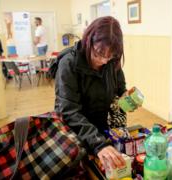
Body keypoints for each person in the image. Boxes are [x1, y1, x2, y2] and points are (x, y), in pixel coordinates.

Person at [54, 16, 127, 169]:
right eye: (98, 54)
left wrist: (125, 95)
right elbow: (69, 111)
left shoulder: (112, 61)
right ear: (88, 40)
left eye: (110, 56)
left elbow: (119, 85)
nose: (104, 61)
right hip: (74, 132)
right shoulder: (68, 63)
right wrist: (98, 143)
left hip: (100, 127)